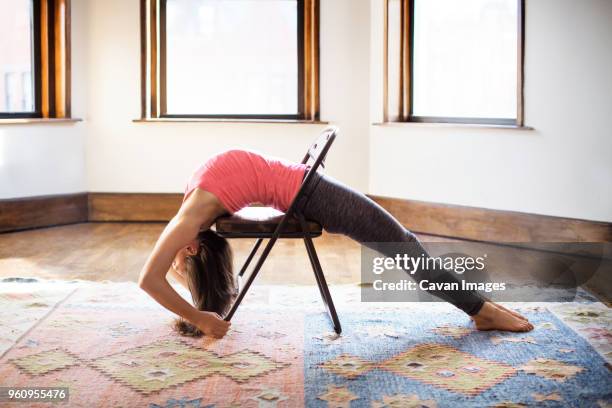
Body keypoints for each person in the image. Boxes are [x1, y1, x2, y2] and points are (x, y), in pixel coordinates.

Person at [138, 148, 533, 338]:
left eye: (175, 265)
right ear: (191, 248)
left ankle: (479, 305)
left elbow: (147, 279)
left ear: (190, 247)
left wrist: (199, 316)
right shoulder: (191, 218)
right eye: (177, 263)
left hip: (307, 187)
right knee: (404, 245)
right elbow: (150, 279)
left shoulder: (190, 216)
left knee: (404, 244)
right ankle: (480, 310)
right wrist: (202, 316)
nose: (167, 253)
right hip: (310, 192)